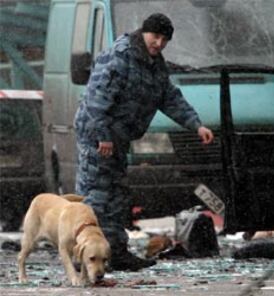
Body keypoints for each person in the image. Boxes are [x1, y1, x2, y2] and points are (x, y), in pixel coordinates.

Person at [74, 13, 214, 271]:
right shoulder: (119, 57)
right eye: (155, 37)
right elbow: (96, 100)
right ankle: (85, 252)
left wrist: (196, 124)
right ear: (144, 33)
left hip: (118, 137)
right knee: (96, 194)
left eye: (164, 40)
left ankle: (113, 252)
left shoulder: (154, 65)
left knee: (115, 194)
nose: (159, 43)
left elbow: (169, 98)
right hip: (98, 135)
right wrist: (103, 135)